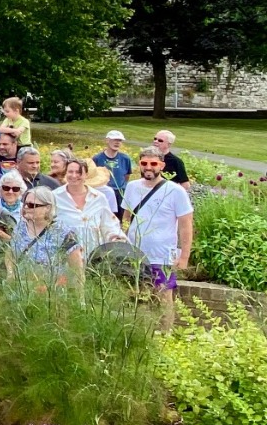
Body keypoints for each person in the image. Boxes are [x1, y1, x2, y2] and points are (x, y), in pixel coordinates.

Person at [122, 147, 193, 323]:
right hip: (135, 253)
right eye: (144, 163)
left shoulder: (175, 191)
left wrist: (184, 256)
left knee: (164, 297)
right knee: (137, 297)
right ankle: (141, 334)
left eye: (153, 163)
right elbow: (126, 218)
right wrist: (122, 242)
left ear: (161, 165)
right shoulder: (131, 187)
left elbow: (185, 225)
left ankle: (166, 335)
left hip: (162, 255)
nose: (148, 167)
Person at [10, 186, 83, 283]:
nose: (26, 208)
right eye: (25, 204)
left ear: (47, 208)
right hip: (22, 291)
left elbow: (77, 271)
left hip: (52, 293)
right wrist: (10, 273)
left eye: (32, 205)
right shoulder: (19, 228)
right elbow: (10, 253)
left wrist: (78, 296)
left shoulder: (64, 233)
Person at [53, 158, 125, 256]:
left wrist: (117, 240)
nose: (74, 175)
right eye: (70, 172)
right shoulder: (54, 196)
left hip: (93, 255)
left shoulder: (99, 197)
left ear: (86, 175)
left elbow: (109, 224)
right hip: (65, 257)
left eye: (79, 172)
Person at [93, 130, 133, 204]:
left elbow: (127, 176)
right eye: (115, 139)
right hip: (104, 193)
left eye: (120, 140)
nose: (117, 142)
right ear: (107, 140)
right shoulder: (97, 158)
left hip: (120, 194)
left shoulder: (125, 159)